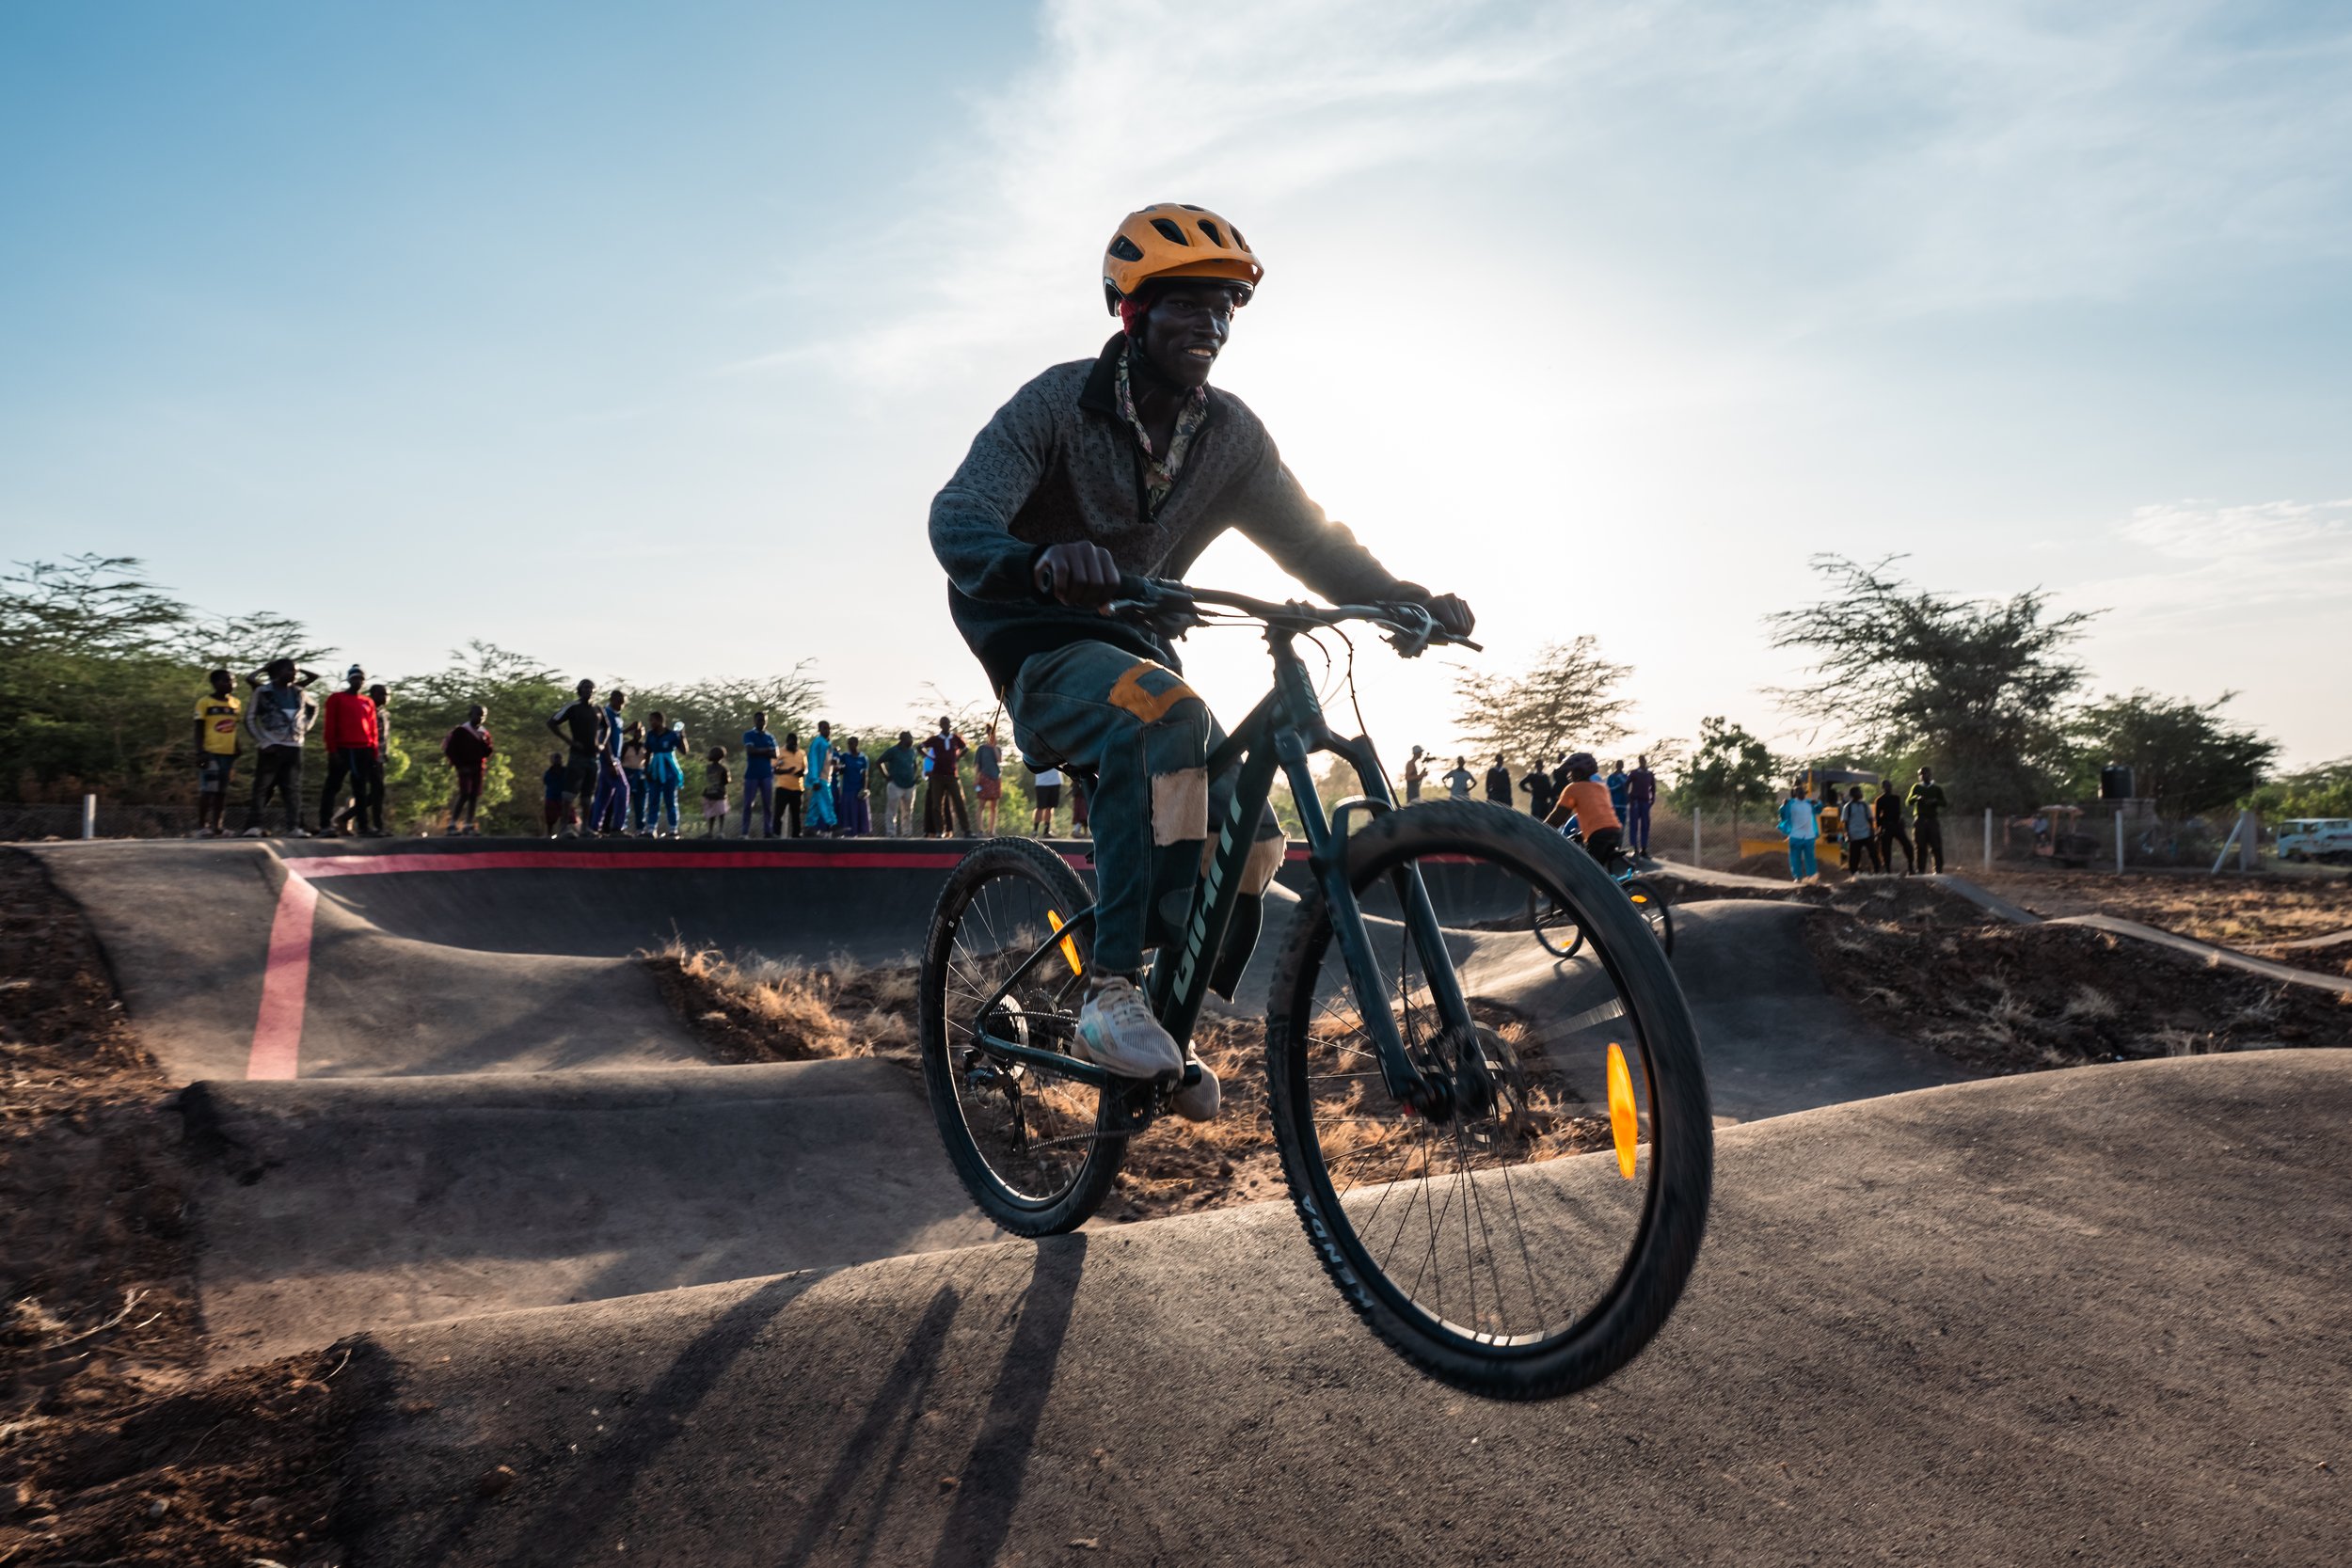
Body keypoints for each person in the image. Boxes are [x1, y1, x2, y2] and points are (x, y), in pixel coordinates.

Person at [928, 202, 1470, 1110]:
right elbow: (957, 516)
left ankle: (1164, 1027)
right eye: (1186, 304)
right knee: (1168, 713)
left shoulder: (1230, 435)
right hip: (1037, 637)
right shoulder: (1057, 403)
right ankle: (1109, 993)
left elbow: (1312, 541)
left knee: (1252, 827)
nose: (1210, 324)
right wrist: (1039, 562)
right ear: (1131, 315)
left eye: (1224, 307)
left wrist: (1403, 596)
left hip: (1136, 645)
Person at [240, 658, 319, 836]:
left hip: (294, 745)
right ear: (277, 672)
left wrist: (305, 726)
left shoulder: (299, 691)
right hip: (272, 746)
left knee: (292, 788)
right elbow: (249, 718)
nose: (294, 673)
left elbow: (315, 707)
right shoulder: (263, 691)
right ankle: (254, 826)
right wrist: (263, 741)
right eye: (289, 670)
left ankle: (294, 827)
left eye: (295, 671)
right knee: (262, 787)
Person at [320, 665, 385, 837]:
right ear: (349, 679)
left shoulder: (367, 702)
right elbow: (330, 725)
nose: (358, 681)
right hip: (342, 749)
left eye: (361, 679)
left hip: (363, 750)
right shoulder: (336, 698)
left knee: (360, 789)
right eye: (355, 678)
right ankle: (325, 825)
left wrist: (374, 752)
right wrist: (332, 750)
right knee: (333, 786)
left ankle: (363, 826)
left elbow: (373, 731)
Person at [547, 680, 609, 835]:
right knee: (569, 793)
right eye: (585, 687)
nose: (588, 690)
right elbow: (552, 723)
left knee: (588, 794)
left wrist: (601, 744)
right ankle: (563, 828)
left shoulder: (598, 709)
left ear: (594, 691)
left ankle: (585, 827)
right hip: (577, 757)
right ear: (579, 690)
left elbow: (607, 728)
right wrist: (570, 741)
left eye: (591, 688)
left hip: (593, 757)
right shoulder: (573, 707)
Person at [1543, 752, 1622, 863]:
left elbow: (1557, 818)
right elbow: (1600, 816)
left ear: (1580, 771)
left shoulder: (1573, 788)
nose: (1569, 774)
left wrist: (1539, 831)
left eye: (1572, 771)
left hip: (1598, 836)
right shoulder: (1601, 787)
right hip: (1615, 831)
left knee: (1582, 871)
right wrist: (1581, 834)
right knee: (1601, 868)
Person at [192, 670, 241, 837]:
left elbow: (233, 728)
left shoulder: (236, 703)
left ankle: (218, 826)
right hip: (210, 752)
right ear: (214, 683)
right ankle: (201, 826)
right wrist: (200, 752)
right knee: (208, 790)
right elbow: (198, 729)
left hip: (228, 754)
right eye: (225, 681)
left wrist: (237, 747)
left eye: (233, 681)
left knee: (222, 791)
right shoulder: (205, 702)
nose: (230, 684)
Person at [440, 705, 494, 835]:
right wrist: (459, 765)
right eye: (478, 715)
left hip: (478, 768)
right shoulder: (461, 731)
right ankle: (452, 824)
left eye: (483, 716)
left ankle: (468, 824)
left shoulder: (483, 732)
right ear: (470, 714)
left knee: (474, 796)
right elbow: (450, 750)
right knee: (464, 794)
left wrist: (486, 745)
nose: (481, 718)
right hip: (464, 768)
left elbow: (488, 751)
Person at [922, 718, 970, 837]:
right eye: (943, 723)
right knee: (937, 805)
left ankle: (967, 830)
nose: (945, 725)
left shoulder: (954, 738)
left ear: (949, 725)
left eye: (947, 723)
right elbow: (920, 747)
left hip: (952, 775)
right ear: (940, 725)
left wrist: (957, 758)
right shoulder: (935, 739)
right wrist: (930, 757)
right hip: (937, 776)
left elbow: (966, 748)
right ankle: (940, 830)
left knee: (959, 802)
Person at [644, 712, 688, 838]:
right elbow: (648, 753)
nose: (651, 723)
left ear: (659, 720)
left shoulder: (672, 735)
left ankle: (673, 829)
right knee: (653, 800)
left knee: (671, 801)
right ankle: (651, 828)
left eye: (652, 721)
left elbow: (684, 751)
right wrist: (646, 770)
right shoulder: (651, 735)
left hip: (669, 771)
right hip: (655, 770)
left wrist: (682, 737)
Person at [739, 710, 779, 838]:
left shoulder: (770, 736)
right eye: (760, 720)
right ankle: (745, 832)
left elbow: (775, 754)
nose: (762, 722)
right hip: (752, 774)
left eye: (764, 720)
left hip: (766, 774)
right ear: (755, 721)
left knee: (767, 804)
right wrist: (767, 750)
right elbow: (750, 750)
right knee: (748, 804)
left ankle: (768, 831)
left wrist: (760, 750)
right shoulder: (748, 735)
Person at [878, 730, 920, 836]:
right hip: (895, 785)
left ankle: (907, 833)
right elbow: (879, 761)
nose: (911, 740)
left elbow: (915, 765)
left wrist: (914, 777)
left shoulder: (912, 751)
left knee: (908, 811)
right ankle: (891, 833)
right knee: (892, 811)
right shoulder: (893, 751)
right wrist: (886, 776)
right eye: (909, 738)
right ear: (903, 739)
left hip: (909, 786)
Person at [1908, 766, 1948, 874]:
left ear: (1930, 774)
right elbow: (1908, 802)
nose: (1922, 776)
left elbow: (1944, 803)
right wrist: (1916, 798)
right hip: (1920, 820)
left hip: (1932, 820)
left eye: (1925, 773)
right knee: (1920, 846)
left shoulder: (1936, 788)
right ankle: (1920, 870)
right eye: (1921, 774)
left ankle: (1938, 870)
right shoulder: (1916, 787)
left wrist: (1935, 801)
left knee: (1936, 845)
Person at [1777, 785, 1820, 881]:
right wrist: (1783, 805)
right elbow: (1782, 813)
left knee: (1810, 857)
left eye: (1802, 792)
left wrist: (1818, 802)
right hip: (1795, 835)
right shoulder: (1790, 804)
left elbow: (1819, 809)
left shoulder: (1809, 803)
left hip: (1809, 836)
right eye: (1799, 792)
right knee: (1795, 858)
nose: (1801, 794)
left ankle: (1812, 877)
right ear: (1795, 794)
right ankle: (1797, 877)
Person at [1874, 779, 1915, 875]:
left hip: (1897, 825)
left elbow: (1898, 812)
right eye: (1887, 786)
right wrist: (1879, 828)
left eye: (1890, 786)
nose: (1889, 788)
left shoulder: (1896, 798)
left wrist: (1901, 822)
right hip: (1886, 826)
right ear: (1883, 788)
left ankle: (1911, 867)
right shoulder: (1880, 800)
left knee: (1908, 846)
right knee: (1886, 849)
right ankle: (1888, 869)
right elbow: (1877, 815)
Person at [805, 721, 837, 835]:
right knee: (827, 801)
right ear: (819, 730)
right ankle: (833, 824)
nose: (827, 730)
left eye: (829, 728)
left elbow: (825, 760)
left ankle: (809, 827)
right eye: (824, 728)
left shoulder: (827, 743)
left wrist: (833, 762)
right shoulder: (818, 742)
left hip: (826, 778)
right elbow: (813, 761)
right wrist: (815, 779)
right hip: (819, 779)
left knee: (815, 805)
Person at [617, 721, 649, 835]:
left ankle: (640, 828)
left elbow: (648, 762)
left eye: (640, 732)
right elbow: (619, 760)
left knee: (640, 803)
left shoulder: (645, 746)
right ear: (632, 733)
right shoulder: (626, 745)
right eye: (636, 732)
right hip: (627, 773)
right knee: (625, 802)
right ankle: (622, 826)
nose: (638, 734)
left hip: (640, 775)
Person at [835, 737, 872, 837]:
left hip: (858, 791)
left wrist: (864, 789)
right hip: (847, 791)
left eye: (852, 743)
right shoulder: (845, 756)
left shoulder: (863, 758)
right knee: (847, 814)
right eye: (848, 744)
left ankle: (858, 834)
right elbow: (837, 764)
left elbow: (865, 775)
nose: (850, 746)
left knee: (858, 814)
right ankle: (847, 834)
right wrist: (836, 751)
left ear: (856, 744)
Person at [775, 731, 807, 838]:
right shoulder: (779, 752)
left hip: (797, 788)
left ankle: (796, 836)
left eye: (796, 744)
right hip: (783, 787)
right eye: (792, 743)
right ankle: (775, 835)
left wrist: (802, 772)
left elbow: (806, 769)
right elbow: (774, 769)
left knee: (796, 814)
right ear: (787, 742)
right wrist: (787, 771)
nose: (794, 746)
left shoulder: (801, 753)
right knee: (779, 813)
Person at [974, 725, 1005, 835]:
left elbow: (999, 760)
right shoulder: (981, 749)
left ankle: (992, 830)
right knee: (981, 804)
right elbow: (977, 764)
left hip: (995, 777)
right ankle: (980, 830)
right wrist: (976, 778)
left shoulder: (998, 748)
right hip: (984, 777)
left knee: (994, 806)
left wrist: (994, 747)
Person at [1625, 754, 1657, 858]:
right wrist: (1629, 798)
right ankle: (1635, 848)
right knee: (1634, 825)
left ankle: (1644, 849)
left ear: (1645, 761)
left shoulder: (1650, 774)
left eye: (1643, 760)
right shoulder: (1634, 773)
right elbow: (1626, 785)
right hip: (1635, 801)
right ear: (1639, 761)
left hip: (1645, 802)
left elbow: (1653, 788)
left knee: (1645, 825)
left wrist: (1652, 799)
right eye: (1640, 760)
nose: (1642, 762)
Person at [1841, 784, 1876, 873]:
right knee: (1854, 857)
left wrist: (1872, 830)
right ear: (1853, 794)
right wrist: (1847, 834)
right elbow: (1845, 822)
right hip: (1854, 835)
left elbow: (1870, 818)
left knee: (1873, 854)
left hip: (1866, 834)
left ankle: (1877, 872)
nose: (1861, 793)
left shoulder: (1865, 805)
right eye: (1859, 792)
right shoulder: (1847, 807)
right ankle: (1854, 874)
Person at [698, 746, 729, 837]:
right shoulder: (723, 768)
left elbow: (707, 780)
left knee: (711, 814)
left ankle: (710, 831)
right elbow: (726, 781)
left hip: (709, 793)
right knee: (721, 813)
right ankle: (720, 831)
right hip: (720, 794)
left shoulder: (708, 768)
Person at [542, 752, 575, 837]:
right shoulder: (548, 773)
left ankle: (565, 831)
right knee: (550, 818)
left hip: (563, 797)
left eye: (559, 758)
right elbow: (546, 782)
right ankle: (549, 834)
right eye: (555, 758)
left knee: (568, 816)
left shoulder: (566, 771)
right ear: (552, 760)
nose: (557, 760)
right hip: (552, 796)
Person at [1029, 763, 1062, 835]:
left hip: (1055, 781)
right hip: (1042, 783)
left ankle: (1046, 831)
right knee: (1040, 807)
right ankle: (1035, 830)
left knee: (1050, 807)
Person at [1604, 760, 1631, 830]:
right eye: (1618, 765)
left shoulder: (1625, 777)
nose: (1619, 766)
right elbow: (1608, 790)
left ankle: (1620, 840)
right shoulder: (1611, 777)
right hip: (1613, 804)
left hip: (1623, 805)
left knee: (1622, 826)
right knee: (1612, 825)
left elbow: (1626, 788)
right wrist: (1617, 787)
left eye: (1621, 765)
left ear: (1623, 766)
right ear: (1616, 766)